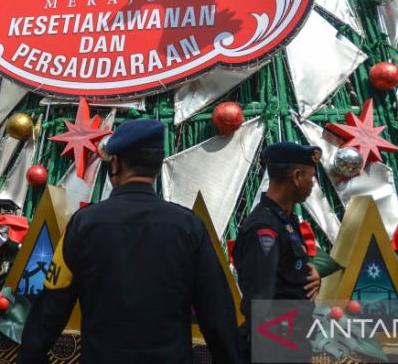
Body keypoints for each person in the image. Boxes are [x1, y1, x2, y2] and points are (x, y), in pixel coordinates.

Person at [19, 119, 240, 364]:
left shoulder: (84, 225)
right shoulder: (189, 227)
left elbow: (51, 306)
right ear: (156, 167)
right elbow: (217, 313)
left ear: (116, 163)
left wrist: (31, 356)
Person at [232, 142, 322, 364]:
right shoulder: (265, 228)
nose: (312, 184)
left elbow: (284, 273)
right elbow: (260, 301)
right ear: (297, 176)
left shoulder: (286, 220)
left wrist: (309, 278)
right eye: (311, 177)